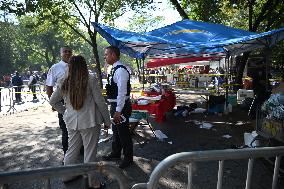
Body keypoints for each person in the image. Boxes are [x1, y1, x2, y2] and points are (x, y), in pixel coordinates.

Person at [50, 55, 111, 189]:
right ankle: (93, 183)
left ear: (69, 66)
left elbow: (52, 101)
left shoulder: (63, 80)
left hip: (71, 121)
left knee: (71, 150)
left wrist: (65, 112)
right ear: (84, 65)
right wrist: (107, 121)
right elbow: (100, 102)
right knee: (90, 153)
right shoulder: (90, 79)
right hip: (89, 121)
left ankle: (67, 176)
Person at [102, 46, 133, 169]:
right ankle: (116, 153)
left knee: (124, 133)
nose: (105, 57)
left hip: (121, 107)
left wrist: (118, 110)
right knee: (116, 131)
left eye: (106, 54)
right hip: (115, 105)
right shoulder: (113, 69)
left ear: (113, 55)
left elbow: (122, 92)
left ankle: (128, 158)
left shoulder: (120, 70)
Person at [46, 46, 72, 155]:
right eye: (64, 51)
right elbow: (49, 86)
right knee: (66, 128)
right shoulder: (55, 68)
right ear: (60, 54)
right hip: (63, 103)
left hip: (78, 102)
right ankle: (67, 153)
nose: (67, 53)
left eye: (69, 51)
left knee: (79, 127)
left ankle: (80, 150)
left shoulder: (76, 66)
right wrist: (53, 103)